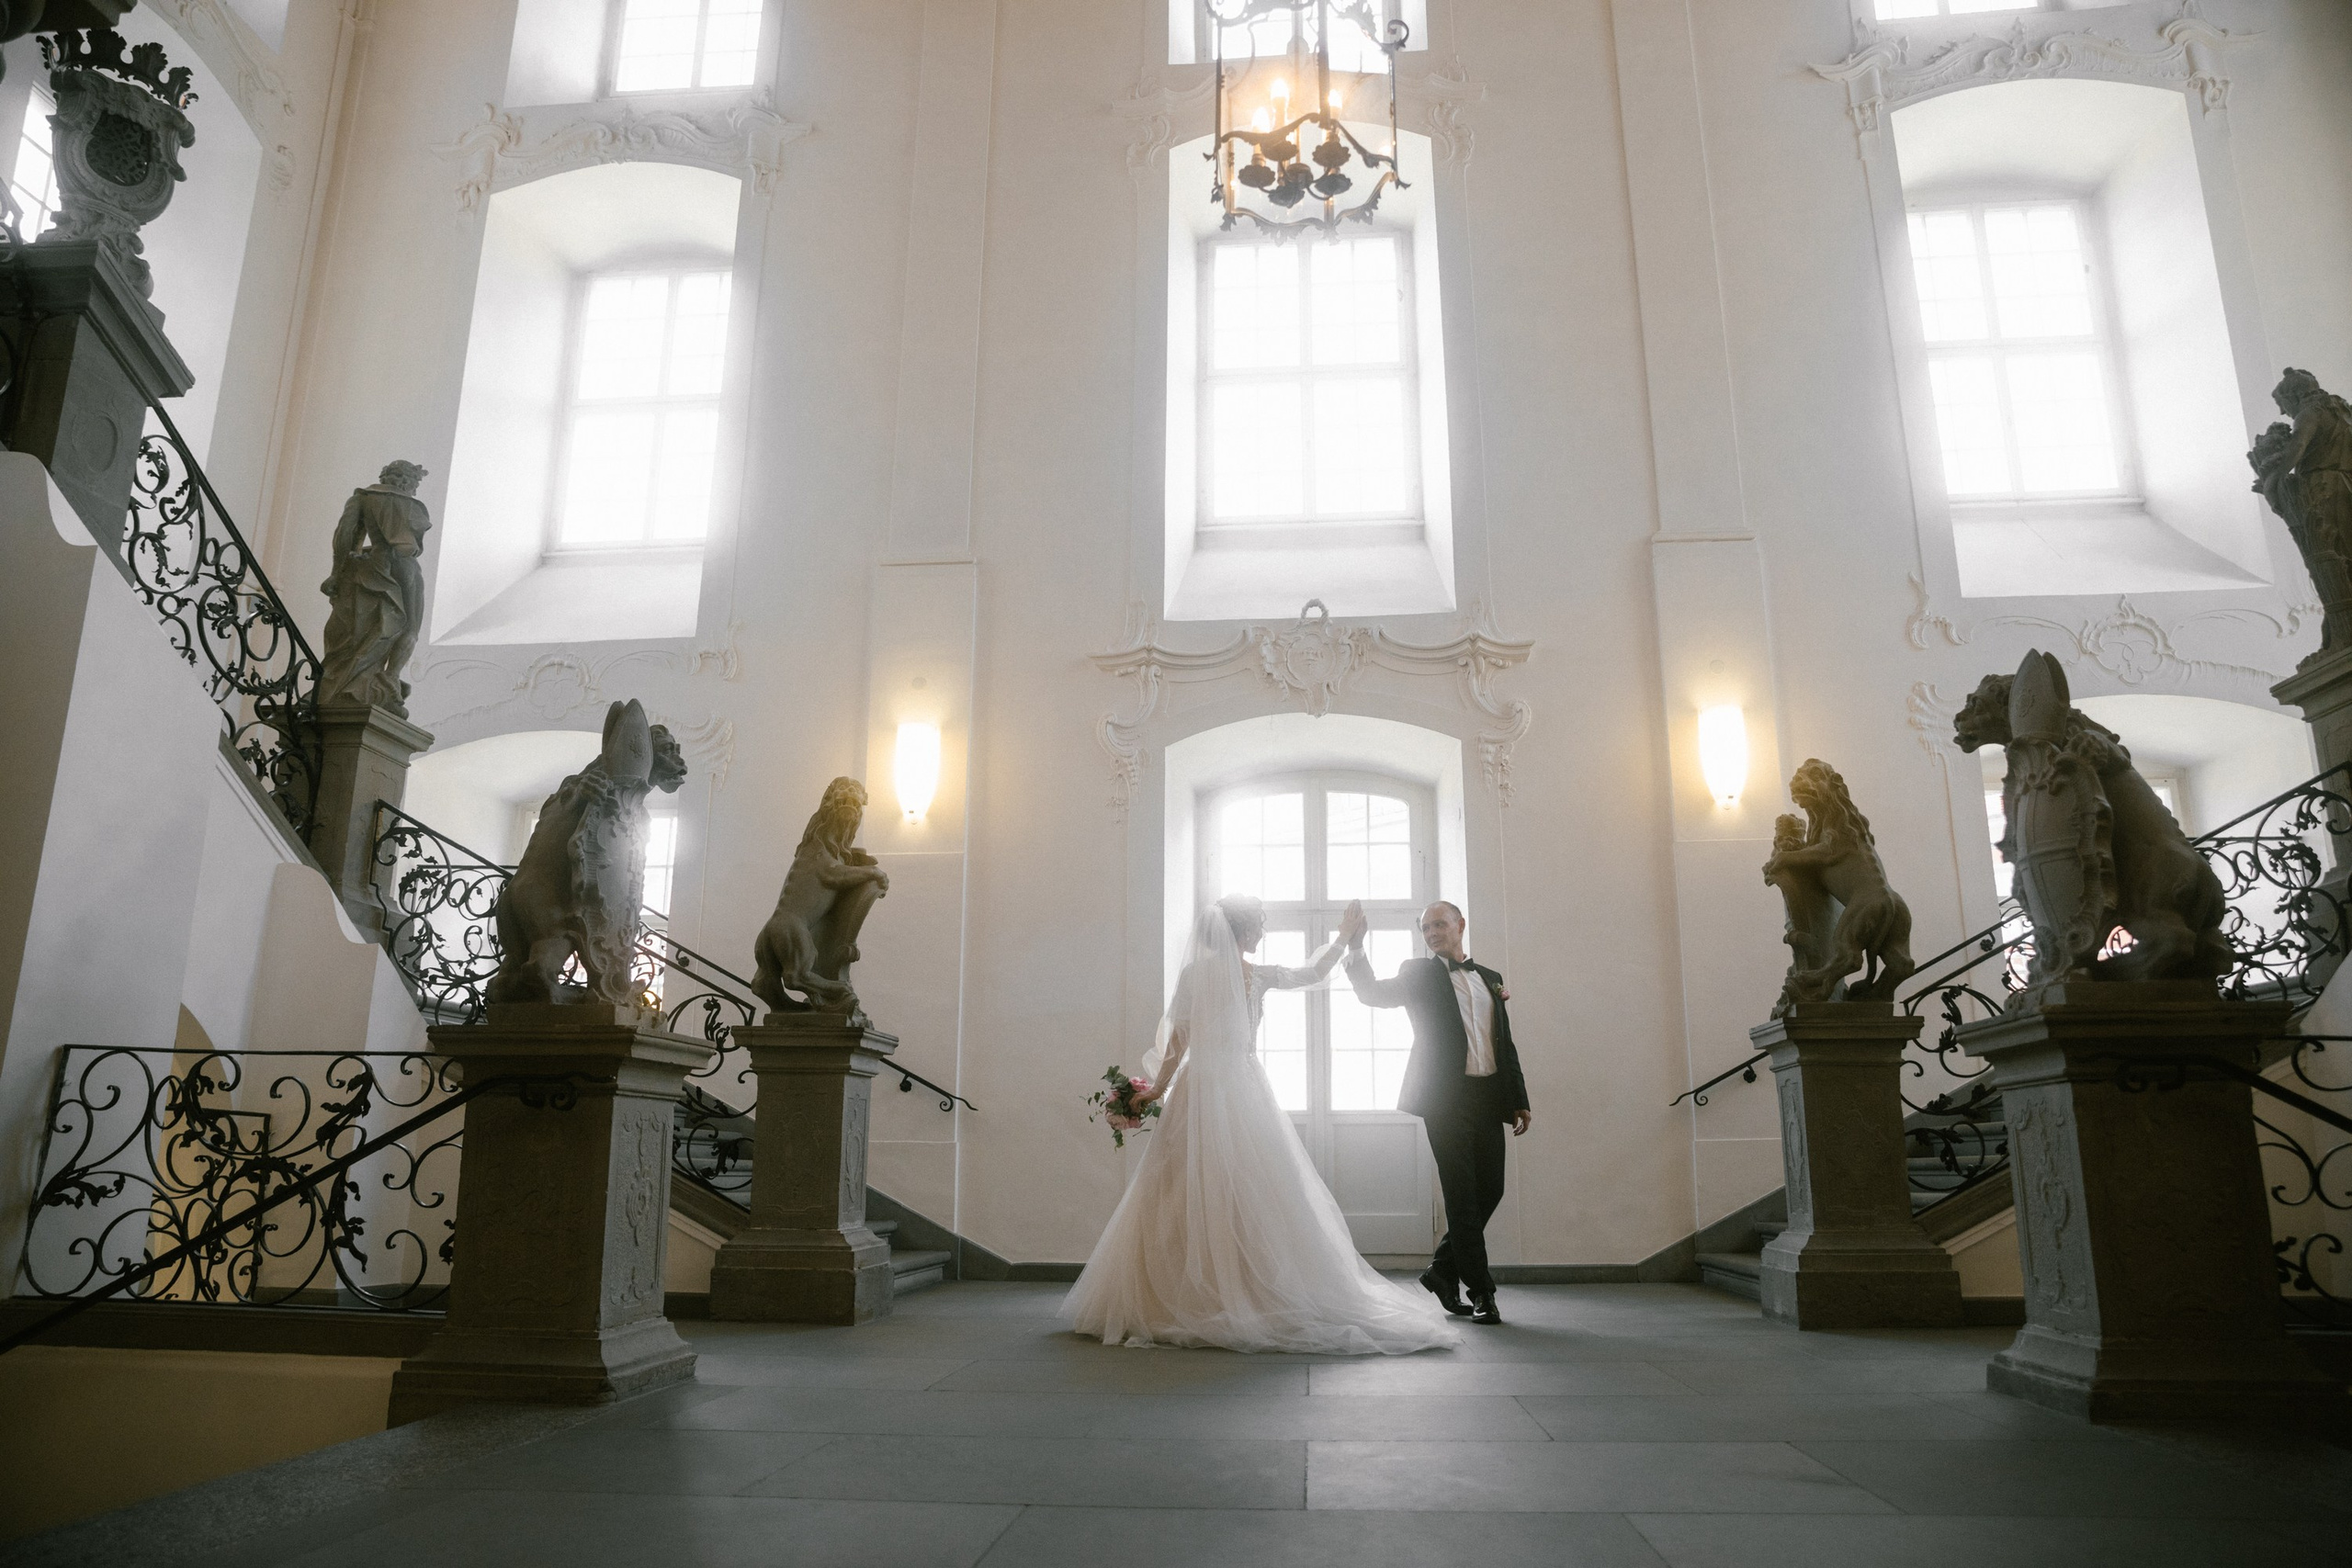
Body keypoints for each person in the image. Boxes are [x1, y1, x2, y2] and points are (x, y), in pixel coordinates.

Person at [1061, 894, 1459, 1355]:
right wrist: (1344, 939)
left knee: (1180, 1189)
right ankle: (1237, 1289)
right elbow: (1311, 975)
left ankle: (1183, 1293)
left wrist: (1158, 1089)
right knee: (1241, 1186)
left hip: (1199, 1087)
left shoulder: (1196, 974)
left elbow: (1179, 1040)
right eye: (1262, 926)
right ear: (1247, 933)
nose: (1265, 933)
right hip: (1241, 1084)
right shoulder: (1258, 975)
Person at [1340, 899, 1531, 1325]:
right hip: (1445, 1099)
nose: (1432, 933)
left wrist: (1519, 1097)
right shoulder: (1419, 974)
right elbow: (1373, 994)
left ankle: (1442, 1271)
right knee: (1462, 1196)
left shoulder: (1491, 979)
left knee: (1491, 1190)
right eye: (1425, 928)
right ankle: (1482, 1292)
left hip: (1488, 1098)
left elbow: (1505, 1044)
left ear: (1461, 924)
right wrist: (1356, 948)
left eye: (1439, 924)